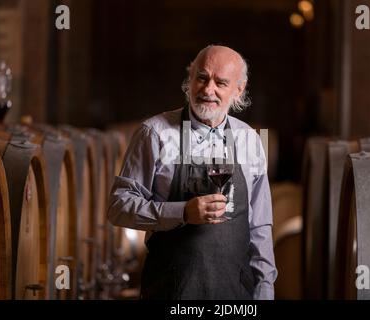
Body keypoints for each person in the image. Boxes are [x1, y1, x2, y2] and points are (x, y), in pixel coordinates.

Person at [108, 45, 277, 300]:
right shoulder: (155, 133)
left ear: (238, 90)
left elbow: (260, 226)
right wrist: (182, 212)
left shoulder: (249, 140)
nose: (208, 90)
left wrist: (265, 289)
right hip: (170, 291)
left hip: (234, 294)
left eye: (220, 82)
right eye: (202, 77)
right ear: (190, 79)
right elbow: (119, 206)